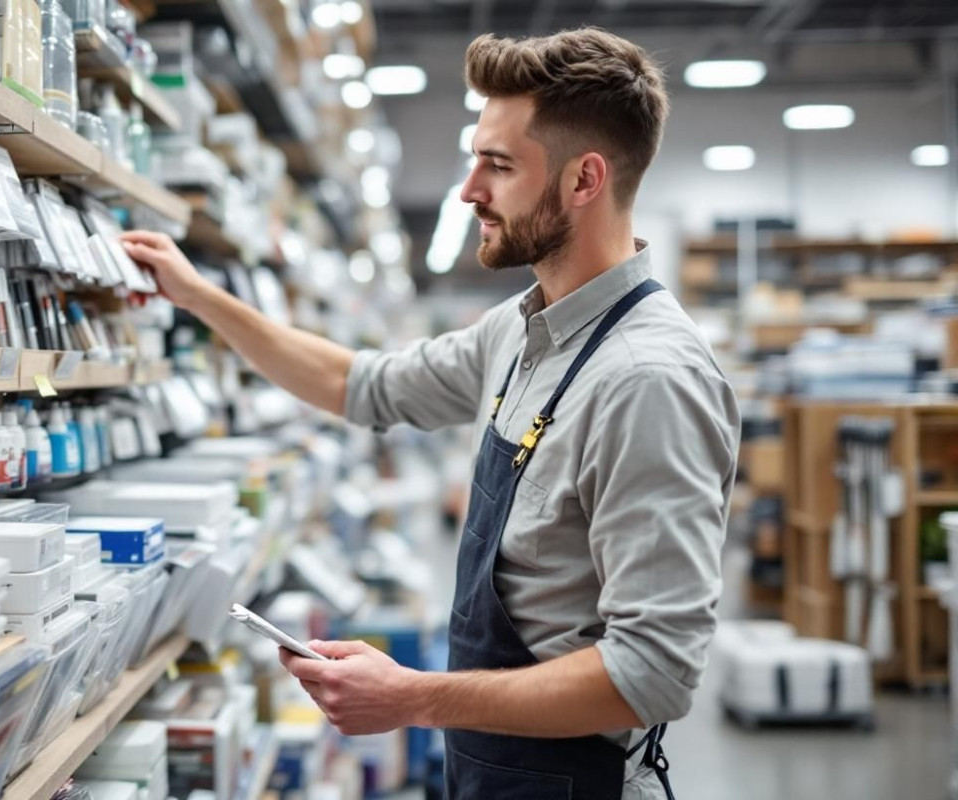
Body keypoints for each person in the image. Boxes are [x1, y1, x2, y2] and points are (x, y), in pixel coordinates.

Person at [121, 27, 739, 800]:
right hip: (493, 768)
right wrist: (198, 295)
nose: (468, 188)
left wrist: (412, 697)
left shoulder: (649, 381)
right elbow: (360, 383)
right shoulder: (518, 330)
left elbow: (652, 674)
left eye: (498, 165)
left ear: (585, 181)